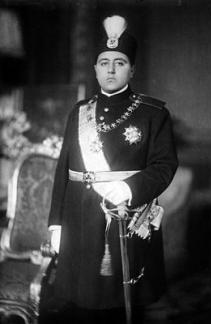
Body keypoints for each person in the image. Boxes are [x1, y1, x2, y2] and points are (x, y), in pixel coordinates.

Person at [42, 15, 178, 324]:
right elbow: (63, 171)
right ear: (95, 69)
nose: (111, 69)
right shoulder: (79, 113)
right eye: (104, 62)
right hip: (79, 221)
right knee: (80, 304)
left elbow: (165, 165)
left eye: (119, 62)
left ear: (132, 69)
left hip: (125, 216)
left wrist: (130, 188)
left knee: (122, 306)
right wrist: (55, 225)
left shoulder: (153, 113)